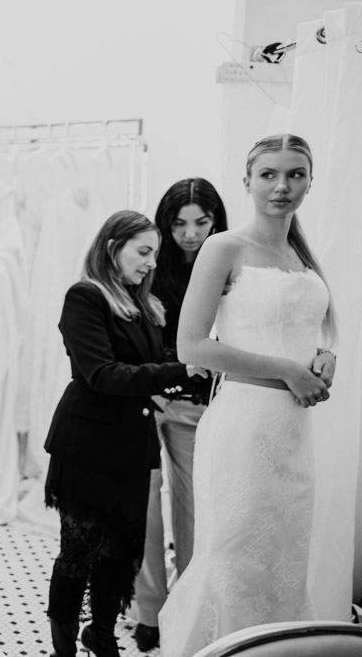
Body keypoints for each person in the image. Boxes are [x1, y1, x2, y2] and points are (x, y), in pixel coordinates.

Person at [157, 134, 337, 656]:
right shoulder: (224, 247)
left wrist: (322, 360)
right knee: (235, 558)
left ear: (309, 180)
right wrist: (287, 370)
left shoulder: (301, 253)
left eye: (296, 174)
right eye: (269, 174)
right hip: (245, 425)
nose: (282, 186)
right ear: (248, 182)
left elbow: (298, 329)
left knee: (284, 558)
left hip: (293, 429)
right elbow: (191, 345)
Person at [43, 210, 205, 657]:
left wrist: (192, 375)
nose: (153, 262)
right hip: (88, 444)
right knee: (78, 550)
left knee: (120, 550)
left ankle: (101, 633)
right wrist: (176, 372)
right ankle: (63, 647)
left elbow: (148, 370)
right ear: (113, 247)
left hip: (133, 443)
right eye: (144, 251)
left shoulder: (145, 305)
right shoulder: (85, 296)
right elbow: (102, 374)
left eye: (155, 253)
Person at [129, 179, 228, 651]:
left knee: (192, 506)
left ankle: (186, 606)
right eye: (179, 223)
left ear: (215, 221)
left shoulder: (229, 264)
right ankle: (148, 609)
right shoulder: (151, 268)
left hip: (197, 403)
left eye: (201, 222)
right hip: (147, 401)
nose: (190, 233)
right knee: (144, 505)